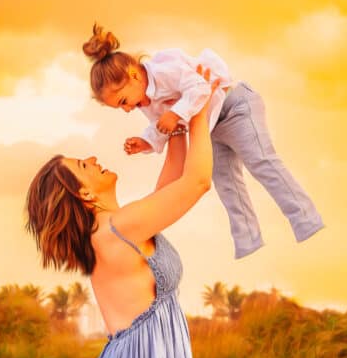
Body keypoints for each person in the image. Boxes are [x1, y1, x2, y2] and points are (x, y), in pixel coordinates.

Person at [24, 69, 219, 358]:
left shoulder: (118, 226)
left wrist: (174, 116)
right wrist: (199, 104)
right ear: (84, 195)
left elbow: (175, 179)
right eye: (83, 166)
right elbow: (197, 182)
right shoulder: (116, 230)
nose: (93, 158)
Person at [81, 23, 324, 259]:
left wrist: (176, 113)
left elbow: (200, 88)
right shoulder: (145, 101)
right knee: (225, 181)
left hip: (236, 107)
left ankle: (305, 218)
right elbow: (163, 125)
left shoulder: (165, 70)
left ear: (133, 75)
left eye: (124, 101)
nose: (127, 109)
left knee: (261, 161)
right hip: (211, 126)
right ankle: (248, 240)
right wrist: (147, 141)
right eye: (120, 108)